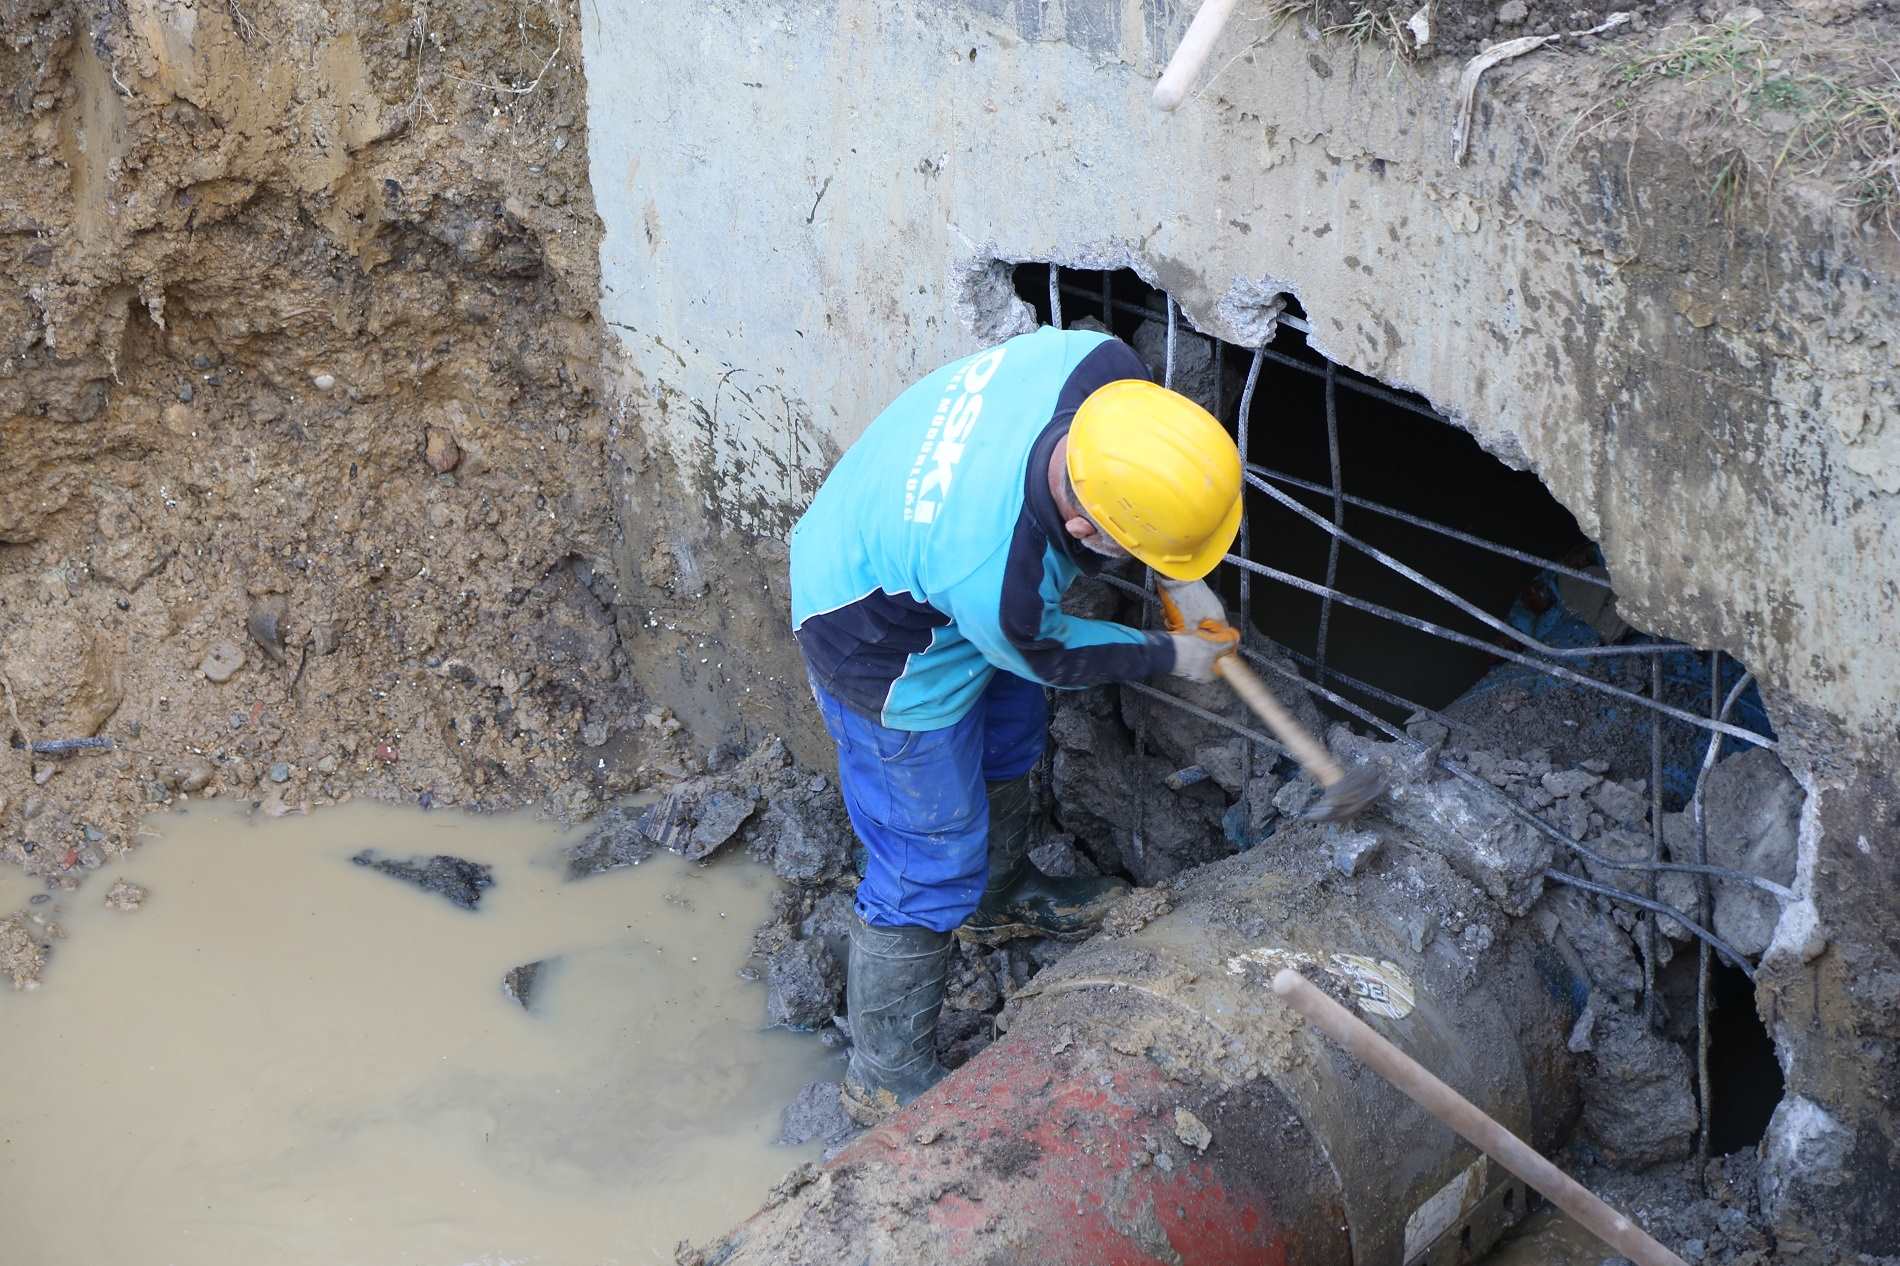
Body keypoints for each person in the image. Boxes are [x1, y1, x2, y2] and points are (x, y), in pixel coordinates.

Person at [788, 324, 1243, 1120]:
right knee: (928, 854)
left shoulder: (1101, 371)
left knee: (1010, 740)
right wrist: (1173, 653)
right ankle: (884, 1075)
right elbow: (1055, 652)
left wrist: (1181, 575)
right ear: (1081, 531)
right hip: (873, 637)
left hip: (933, 572)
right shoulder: (997, 576)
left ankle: (999, 901)